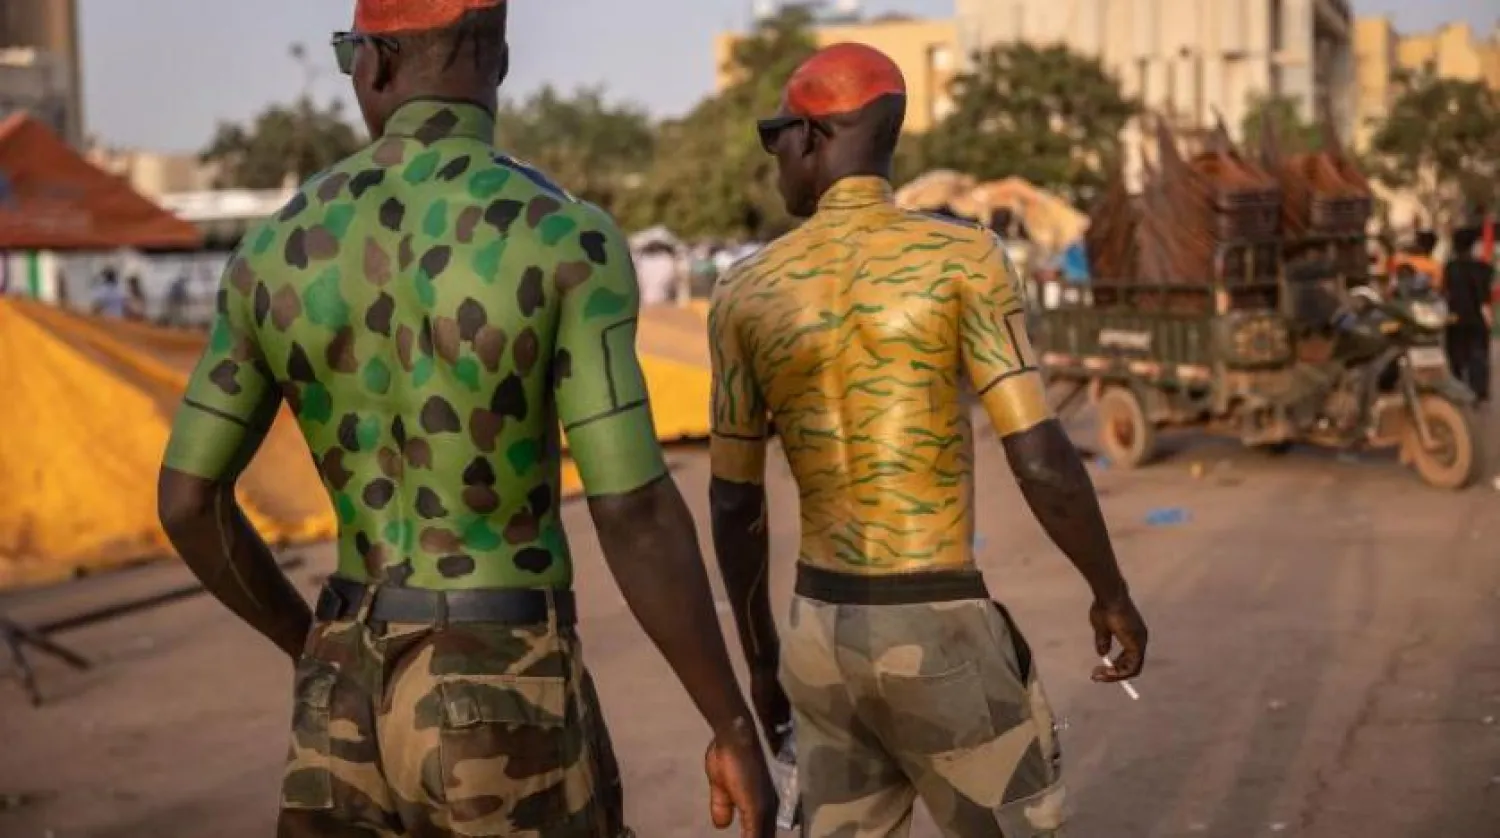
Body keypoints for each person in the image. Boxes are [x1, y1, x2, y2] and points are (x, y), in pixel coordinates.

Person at [155, 2, 775, 836]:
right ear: (500, 62)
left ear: (375, 64)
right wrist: (729, 722)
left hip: (337, 702)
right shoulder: (563, 238)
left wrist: (310, 646)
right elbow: (632, 508)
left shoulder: (270, 251)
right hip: (502, 686)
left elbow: (188, 502)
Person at [708, 43, 1149, 835]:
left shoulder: (746, 290)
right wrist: (1110, 592)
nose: (775, 162)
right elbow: (1040, 457)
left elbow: (734, 504)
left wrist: (763, 660)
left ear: (811, 137)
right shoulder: (963, 260)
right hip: (937, 627)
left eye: (776, 139)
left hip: (818, 633)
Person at [1443, 226, 1492, 405]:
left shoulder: (1450, 267)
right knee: (1478, 354)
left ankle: (1458, 388)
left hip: (1455, 316)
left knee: (1456, 354)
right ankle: (1479, 391)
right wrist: (1487, 316)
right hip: (1476, 316)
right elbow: (1484, 296)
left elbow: (1447, 292)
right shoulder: (1484, 268)